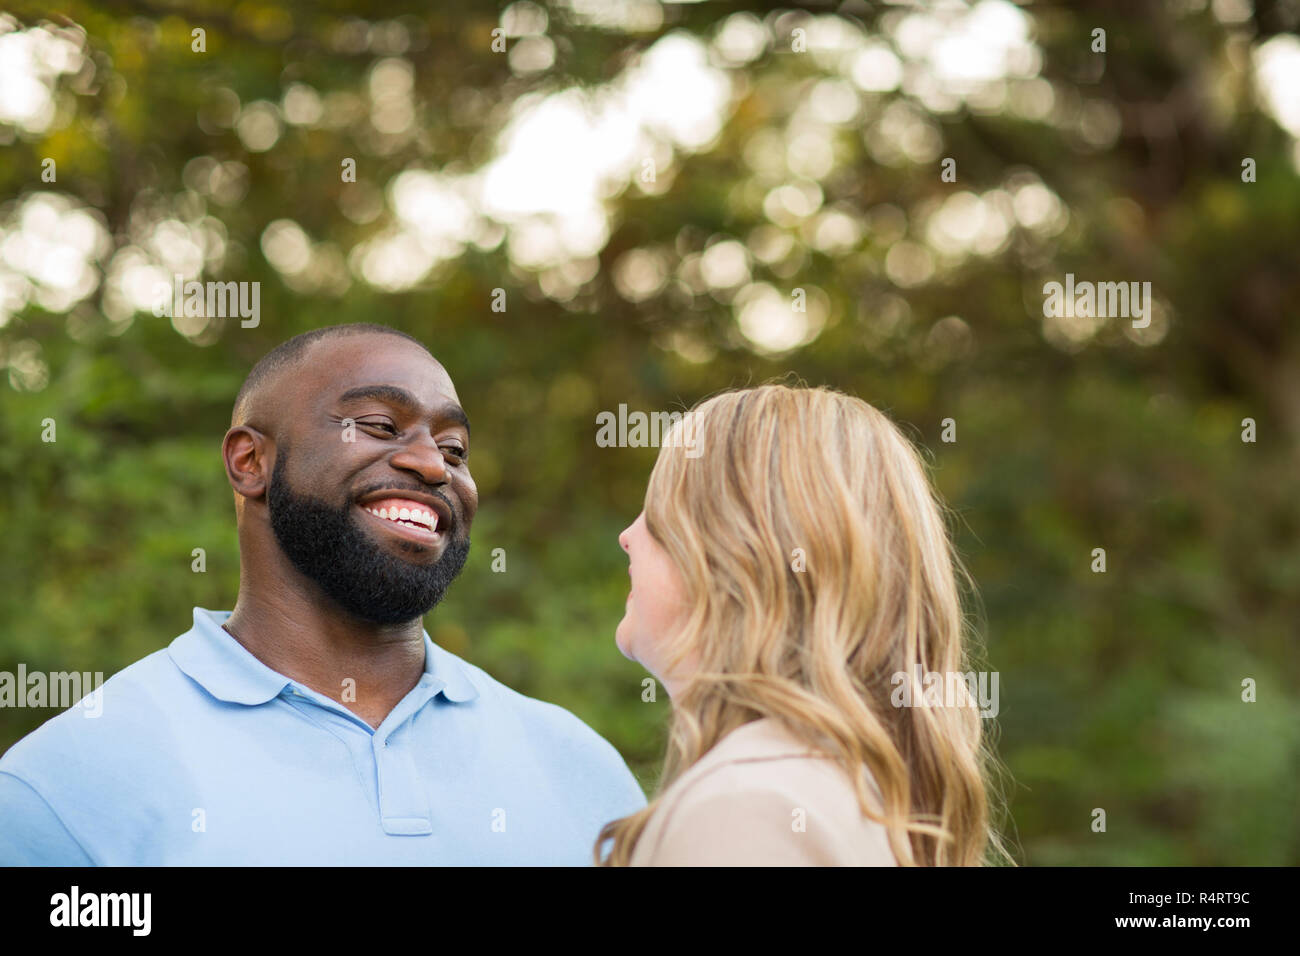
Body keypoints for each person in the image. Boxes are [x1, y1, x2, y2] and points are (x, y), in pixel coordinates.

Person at [0, 323, 645, 865]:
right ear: (249, 461)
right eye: (378, 424)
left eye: (454, 447)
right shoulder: (65, 786)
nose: (431, 464)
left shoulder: (582, 768)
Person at [599, 384, 1011, 866]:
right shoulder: (856, 796)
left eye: (660, 505)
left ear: (739, 549)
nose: (628, 536)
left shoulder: (745, 810)